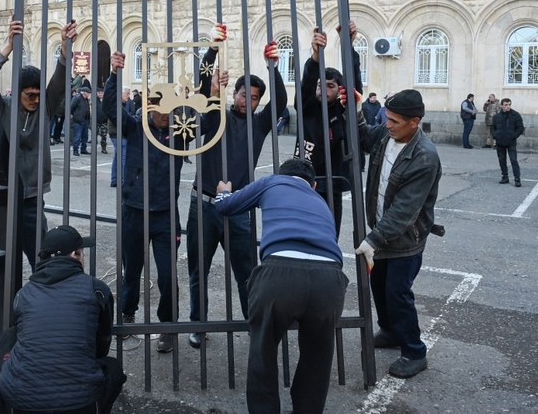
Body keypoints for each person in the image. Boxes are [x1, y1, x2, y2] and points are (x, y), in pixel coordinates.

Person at [0, 18, 77, 346]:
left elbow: (59, 84)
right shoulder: (3, 107)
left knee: (44, 262)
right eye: (29, 94)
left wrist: (65, 52)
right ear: (19, 91)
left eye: (39, 95)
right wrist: (5, 52)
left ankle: (45, 320)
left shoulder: (46, 108)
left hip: (30, 200)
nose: (35, 99)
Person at [213, 158, 347, 414]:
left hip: (280, 274)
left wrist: (224, 192)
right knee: (317, 356)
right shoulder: (321, 202)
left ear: (281, 175)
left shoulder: (271, 182)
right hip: (329, 279)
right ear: (314, 185)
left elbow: (227, 207)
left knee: (262, 348)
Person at [187, 24, 287, 349]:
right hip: (203, 205)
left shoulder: (259, 125)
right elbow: (203, 87)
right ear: (235, 93)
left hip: (239, 208)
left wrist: (273, 68)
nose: (249, 101)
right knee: (197, 272)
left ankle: (254, 323)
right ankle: (198, 325)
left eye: (255, 97)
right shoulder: (217, 115)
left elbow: (281, 101)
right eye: (245, 94)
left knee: (248, 273)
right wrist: (213, 49)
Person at [104, 49, 190, 353]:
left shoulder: (180, 133)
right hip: (134, 211)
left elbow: (205, 115)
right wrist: (115, 74)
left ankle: (168, 327)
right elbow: (111, 109)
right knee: (132, 271)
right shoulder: (136, 127)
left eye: (170, 107)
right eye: (159, 106)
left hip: (166, 216)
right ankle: (127, 317)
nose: (165, 113)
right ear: (149, 106)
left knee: (168, 275)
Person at [354, 89, 441, 379]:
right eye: (387, 118)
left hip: (404, 240)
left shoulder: (424, 156)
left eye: (394, 121)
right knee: (379, 287)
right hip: (380, 231)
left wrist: (373, 239)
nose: (387, 124)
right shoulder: (386, 136)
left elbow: (405, 210)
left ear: (414, 122)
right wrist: (355, 110)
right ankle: (390, 331)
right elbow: (364, 137)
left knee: (397, 294)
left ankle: (415, 352)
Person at [0, 225, 127, 414]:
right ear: (74, 255)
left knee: (10, 337)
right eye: (82, 253)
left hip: (21, 403)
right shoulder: (96, 289)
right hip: (80, 403)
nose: (83, 257)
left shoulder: (24, 293)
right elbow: (101, 345)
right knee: (113, 368)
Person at [295, 20, 363, 238]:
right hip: (305, 184)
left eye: (330, 85)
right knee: (302, 236)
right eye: (320, 84)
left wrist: (348, 47)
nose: (323, 89)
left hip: (332, 186)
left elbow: (354, 90)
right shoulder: (308, 107)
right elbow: (305, 86)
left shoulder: (343, 110)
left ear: (339, 89)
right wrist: (315, 57)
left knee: (327, 236)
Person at [492, 98, 525, 187]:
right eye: (506, 105)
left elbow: (520, 128)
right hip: (500, 141)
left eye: (509, 104)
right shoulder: (497, 116)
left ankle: (517, 178)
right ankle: (505, 176)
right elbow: (492, 127)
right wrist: (495, 135)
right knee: (502, 160)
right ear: (502, 105)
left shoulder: (515, 115)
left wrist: (513, 136)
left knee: (513, 160)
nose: (508, 106)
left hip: (511, 142)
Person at [108, 86, 130, 188]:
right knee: (123, 157)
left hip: (118, 133)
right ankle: (121, 180)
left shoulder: (122, 104)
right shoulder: (117, 105)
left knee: (118, 156)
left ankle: (114, 179)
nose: (128, 96)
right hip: (117, 133)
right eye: (127, 94)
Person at [70, 86, 92, 156]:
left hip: (85, 120)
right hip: (79, 120)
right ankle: (75, 150)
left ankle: (83, 149)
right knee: (77, 136)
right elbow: (72, 106)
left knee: (85, 136)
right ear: (85, 93)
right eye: (88, 93)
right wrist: (71, 114)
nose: (89, 94)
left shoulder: (86, 99)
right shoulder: (77, 98)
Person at [96, 87, 108, 154]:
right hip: (96, 121)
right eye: (99, 93)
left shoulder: (106, 101)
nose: (100, 94)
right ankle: (93, 148)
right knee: (95, 135)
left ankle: (104, 148)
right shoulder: (94, 100)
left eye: (102, 93)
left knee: (104, 136)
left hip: (104, 121)